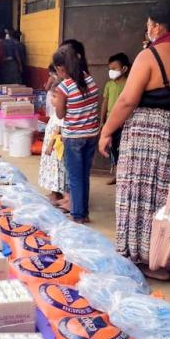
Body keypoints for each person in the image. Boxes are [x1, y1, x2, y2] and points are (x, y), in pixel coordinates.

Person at [99, 0, 170, 268]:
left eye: (149, 24)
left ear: (158, 26)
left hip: (148, 134)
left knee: (140, 195)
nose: (147, 29)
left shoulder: (150, 55)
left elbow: (126, 100)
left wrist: (106, 131)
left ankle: (144, 256)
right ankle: (169, 256)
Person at [52, 42, 100, 223]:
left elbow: (60, 114)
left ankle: (78, 215)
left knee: (75, 177)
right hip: (91, 135)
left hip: (74, 137)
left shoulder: (64, 88)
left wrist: (56, 101)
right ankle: (83, 213)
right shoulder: (89, 79)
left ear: (60, 67)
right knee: (84, 176)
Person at [38, 64, 69, 209]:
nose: (52, 100)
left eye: (55, 96)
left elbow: (58, 128)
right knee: (51, 169)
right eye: (52, 96)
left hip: (56, 148)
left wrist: (50, 145)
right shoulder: (56, 110)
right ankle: (54, 192)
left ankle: (58, 194)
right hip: (51, 146)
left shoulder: (62, 112)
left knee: (58, 170)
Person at [100, 52, 130, 184]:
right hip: (110, 123)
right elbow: (104, 103)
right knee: (113, 149)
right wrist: (102, 121)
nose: (111, 71)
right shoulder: (109, 85)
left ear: (124, 69)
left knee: (123, 149)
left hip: (124, 123)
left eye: (114, 69)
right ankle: (117, 175)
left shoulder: (130, 84)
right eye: (109, 69)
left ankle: (123, 177)